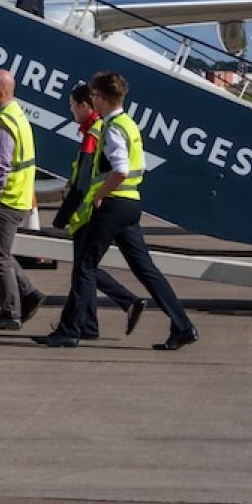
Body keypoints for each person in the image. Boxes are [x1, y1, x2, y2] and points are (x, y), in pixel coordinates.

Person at [33, 71, 198, 351]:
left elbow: (120, 169)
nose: (92, 100)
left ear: (103, 98)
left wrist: (100, 193)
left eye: (94, 96)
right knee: (147, 271)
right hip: (131, 204)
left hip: (112, 206)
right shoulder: (129, 123)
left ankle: (69, 330)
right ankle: (183, 326)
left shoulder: (112, 128)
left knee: (84, 266)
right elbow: (139, 166)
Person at [48, 81, 146, 339]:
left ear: (84, 105)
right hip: (97, 208)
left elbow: (83, 182)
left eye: (71, 105)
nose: (70, 111)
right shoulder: (98, 129)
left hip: (91, 210)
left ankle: (73, 328)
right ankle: (88, 326)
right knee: (85, 268)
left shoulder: (94, 134)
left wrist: (62, 216)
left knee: (84, 268)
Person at [0, 68, 45, 330]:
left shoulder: (5, 121)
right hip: (17, 197)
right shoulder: (17, 116)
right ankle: (28, 294)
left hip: (5, 200)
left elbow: (2, 163)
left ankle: (11, 312)